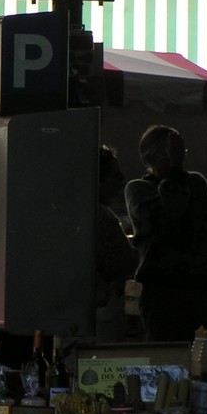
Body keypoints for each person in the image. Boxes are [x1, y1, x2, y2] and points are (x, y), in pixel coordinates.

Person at [124, 124, 207, 341]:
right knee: (166, 355)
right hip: (162, 290)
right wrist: (175, 171)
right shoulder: (137, 190)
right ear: (151, 156)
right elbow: (169, 213)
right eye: (170, 153)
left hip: (199, 286)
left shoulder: (196, 183)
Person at [96, 144, 139, 341]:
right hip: (102, 311)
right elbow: (125, 264)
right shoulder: (102, 217)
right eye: (115, 175)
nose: (122, 180)